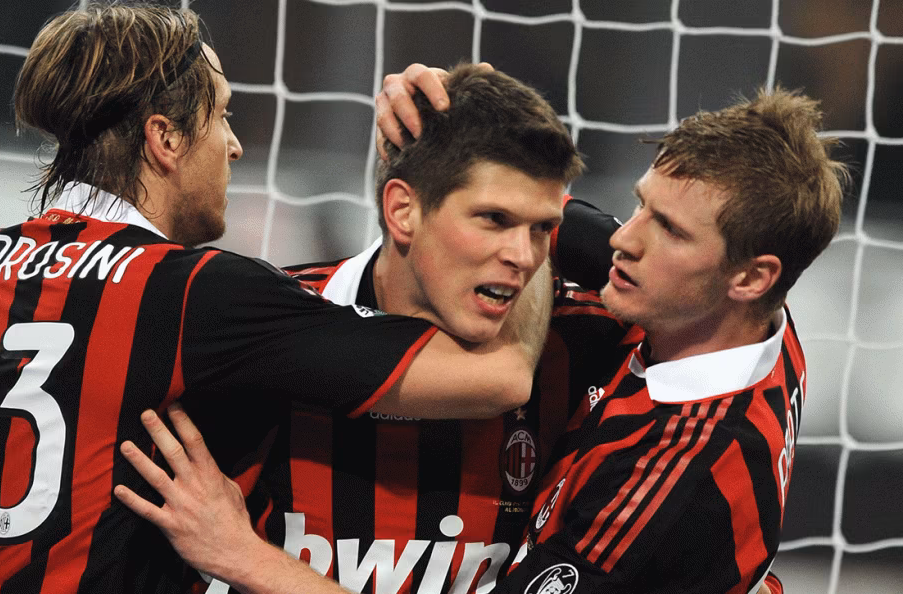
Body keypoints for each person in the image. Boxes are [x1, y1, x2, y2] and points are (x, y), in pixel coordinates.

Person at [0, 7, 558, 592]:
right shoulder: (194, 291)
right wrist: (518, 186)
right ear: (165, 139)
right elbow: (499, 377)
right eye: (222, 115)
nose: (233, 146)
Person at [115, 66, 845, 594]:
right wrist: (468, 123)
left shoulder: (673, 476)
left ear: (751, 277)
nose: (624, 240)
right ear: (401, 209)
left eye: (670, 230)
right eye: (640, 207)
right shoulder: (713, 316)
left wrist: (242, 554)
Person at [216, 63, 593, 594]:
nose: (524, 256)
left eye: (543, 229)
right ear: (402, 210)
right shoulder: (259, 328)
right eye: (494, 219)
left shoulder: (583, 341)